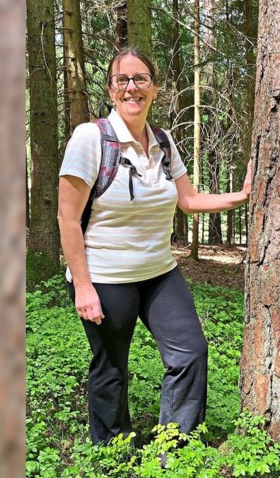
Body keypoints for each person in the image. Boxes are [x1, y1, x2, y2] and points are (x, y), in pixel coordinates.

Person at [57, 47, 252, 445]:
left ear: (154, 89)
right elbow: (66, 218)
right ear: (111, 91)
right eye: (123, 80)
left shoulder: (162, 141)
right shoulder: (90, 138)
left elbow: (189, 199)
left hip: (159, 273)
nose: (132, 87)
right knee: (112, 367)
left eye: (140, 79)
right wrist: (82, 285)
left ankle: (174, 449)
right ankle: (113, 449)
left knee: (191, 352)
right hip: (106, 277)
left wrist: (243, 195)